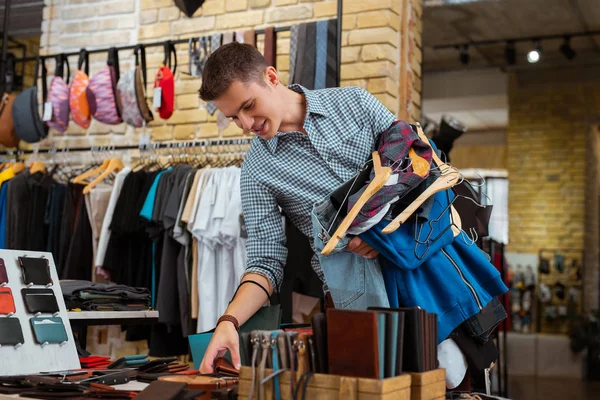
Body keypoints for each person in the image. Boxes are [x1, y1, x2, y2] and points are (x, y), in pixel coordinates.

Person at [198, 42, 397, 373]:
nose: (246, 125)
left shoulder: (355, 104)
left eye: (249, 106)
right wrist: (229, 321)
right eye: (234, 117)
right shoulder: (257, 171)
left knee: (450, 383)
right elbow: (265, 261)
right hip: (352, 302)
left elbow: (416, 162)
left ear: (271, 77)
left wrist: (378, 227)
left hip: (419, 268)